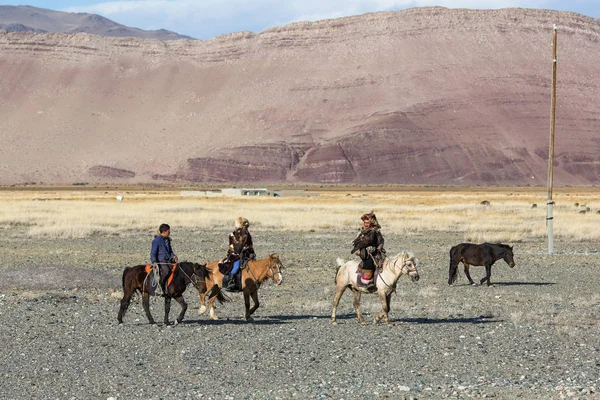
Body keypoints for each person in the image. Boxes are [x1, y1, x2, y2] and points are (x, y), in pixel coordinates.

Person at [351, 212, 386, 287]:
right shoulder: (361, 231)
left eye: (367, 222)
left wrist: (380, 246)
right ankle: (366, 281)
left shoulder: (376, 231)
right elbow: (357, 242)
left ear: (372, 223)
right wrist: (361, 250)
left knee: (385, 262)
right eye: (364, 222)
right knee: (369, 261)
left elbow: (381, 240)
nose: (365, 224)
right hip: (365, 252)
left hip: (376, 251)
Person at [226, 217, 256, 290]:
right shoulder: (234, 234)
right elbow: (235, 246)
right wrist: (240, 252)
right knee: (236, 265)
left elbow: (250, 245)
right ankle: (231, 281)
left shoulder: (247, 234)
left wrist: (252, 253)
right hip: (235, 254)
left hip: (246, 254)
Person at [150, 223, 178, 295]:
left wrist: (174, 256)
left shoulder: (167, 240)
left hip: (168, 261)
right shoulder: (156, 241)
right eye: (169, 231)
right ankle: (159, 287)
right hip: (161, 261)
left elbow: (170, 251)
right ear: (164, 231)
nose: (170, 232)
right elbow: (153, 253)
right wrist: (154, 261)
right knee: (166, 270)